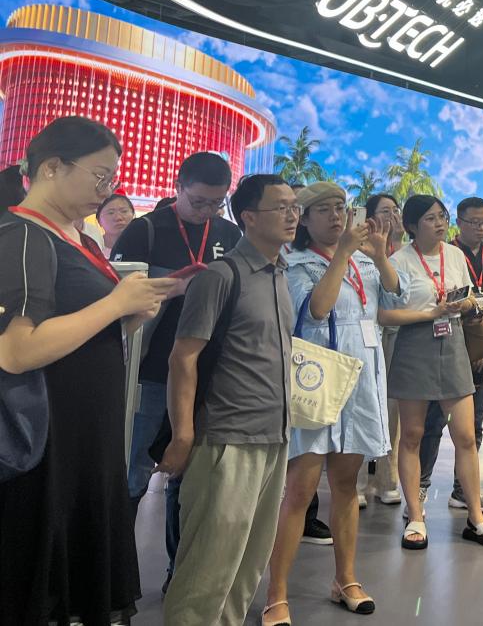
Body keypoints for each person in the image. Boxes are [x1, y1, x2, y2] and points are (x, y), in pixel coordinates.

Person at [0, 118, 176, 626]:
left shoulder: (82, 241)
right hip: (47, 439)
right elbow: (16, 351)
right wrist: (115, 304)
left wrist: (129, 316)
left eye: (112, 179)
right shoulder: (23, 236)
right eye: (100, 176)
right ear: (52, 168)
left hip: (86, 434)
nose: (108, 189)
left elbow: (86, 334)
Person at [156, 174, 299, 626]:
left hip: (274, 436)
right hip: (226, 439)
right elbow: (183, 358)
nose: (292, 215)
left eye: (294, 206)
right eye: (281, 207)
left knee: (247, 568)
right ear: (249, 217)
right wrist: (183, 435)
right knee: (207, 571)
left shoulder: (280, 275)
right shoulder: (221, 276)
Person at [261, 182, 406, 623]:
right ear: (304, 220)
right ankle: (276, 594)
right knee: (300, 491)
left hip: (359, 385)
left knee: (346, 486)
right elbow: (316, 311)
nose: (336, 216)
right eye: (323, 210)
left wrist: (379, 256)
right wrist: (342, 254)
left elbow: (395, 295)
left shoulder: (363, 260)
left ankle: (345, 579)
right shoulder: (294, 264)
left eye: (340, 208)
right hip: (318, 384)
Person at [112, 151, 242, 587]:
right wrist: (172, 289)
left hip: (207, 375)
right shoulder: (146, 230)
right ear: (178, 186)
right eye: (199, 201)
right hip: (150, 373)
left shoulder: (228, 234)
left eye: (216, 203)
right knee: (132, 472)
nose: (207, 211)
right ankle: (117, 576)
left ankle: (179, 572)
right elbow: (117, 303)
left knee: (188, 479)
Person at [384, 195, 483, 550]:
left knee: (466, 436)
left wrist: (465, 303)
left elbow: (473, 297)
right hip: (415, 345)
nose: (439, 223)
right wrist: (430, 313)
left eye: (442, 216)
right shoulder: (399, 261)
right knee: (412, 435)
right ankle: (416, 516)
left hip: (453, 342)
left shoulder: (454, 255)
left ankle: (475, 517)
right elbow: (385, 314)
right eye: (430, 218)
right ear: (411, 225)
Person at [418, 197, 483, 514]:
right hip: (449, 344)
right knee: (433, 421)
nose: (481, 228)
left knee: (474, 424)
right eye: (474, 222)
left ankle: (462, 491)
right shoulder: (449, 254)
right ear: (459, 222)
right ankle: (420, 487)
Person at [359, 193, 406, 506]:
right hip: (365, 335)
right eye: (385, 211)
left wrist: (397, 241)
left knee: (392, 410)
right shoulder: (358, 248)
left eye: (395, 210)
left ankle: (388, 480)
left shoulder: (403, 250)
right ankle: (359, 482)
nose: (392, 216)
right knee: (363, 406)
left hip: (397, 335)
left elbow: (400, 291)